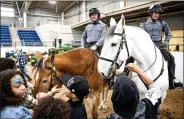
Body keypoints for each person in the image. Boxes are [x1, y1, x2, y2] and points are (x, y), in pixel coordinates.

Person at [140, 3, 183, 89]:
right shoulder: (144, 24)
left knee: (171, 58)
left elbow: (169, 34)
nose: (156, 15)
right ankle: (125, 76)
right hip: (147, 46)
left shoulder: (162, 23)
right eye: (155, 13)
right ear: (151, 13)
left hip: (159, 46)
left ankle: (172, 81)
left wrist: (166, 42)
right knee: (132, 57)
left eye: (158, 13)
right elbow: (141, 35)